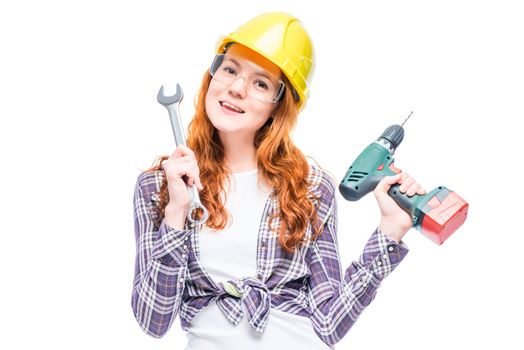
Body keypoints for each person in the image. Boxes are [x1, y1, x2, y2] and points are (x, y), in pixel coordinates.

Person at [131, 12, 426, 349]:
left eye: (261, 83)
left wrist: (389, 230)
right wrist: (176, 211)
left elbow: (329, 324)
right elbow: (152, 320)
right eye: (230, 69)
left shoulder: (311, 187)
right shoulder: (158, 187)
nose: (237, 88)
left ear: (278, 106)